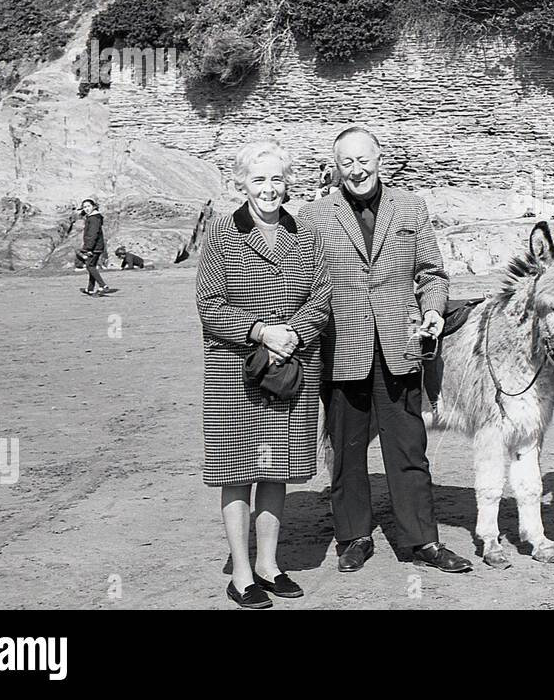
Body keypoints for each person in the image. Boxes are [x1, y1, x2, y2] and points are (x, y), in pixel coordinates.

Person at [303, 125, 472, 574]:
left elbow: (431, 273)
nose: (356, 170)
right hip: (341, 348)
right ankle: (353, 537)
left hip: (401, 344)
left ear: (380, 158)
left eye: (363, 160)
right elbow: (301, 283)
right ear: (334, 167)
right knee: (347, 448)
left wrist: (433, 310)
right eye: (346, 163)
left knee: (409, 448)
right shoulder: (314, 216)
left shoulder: (411, 207)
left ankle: (423, 541)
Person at [196, 138, 333, 609]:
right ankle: (240, 572)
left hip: (292, 366)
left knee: (276, 471)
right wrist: (260, 332)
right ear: (241, 184)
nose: (269, 188)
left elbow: (321, 296)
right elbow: (210, 307)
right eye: (259, 179)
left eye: (277, 178)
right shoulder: (220, 232)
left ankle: (270, 565)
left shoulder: (307, 231)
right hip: (236, 368)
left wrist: (292, 334)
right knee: (238, 472)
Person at [77, 199, 112, 296]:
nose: (86, 209)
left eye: (88, 206)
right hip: (96, 246)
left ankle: (103, 286)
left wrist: (88, 248)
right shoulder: (94, 217)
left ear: (94, 206)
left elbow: (93, 234)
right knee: (91, 266)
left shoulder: (93, 219)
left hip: (94, 247)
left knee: (90, 266)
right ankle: (90, 289)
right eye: (84, 207)